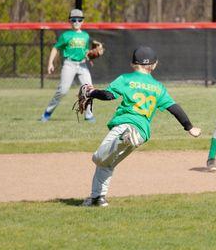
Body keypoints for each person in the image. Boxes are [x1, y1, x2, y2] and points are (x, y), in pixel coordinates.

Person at [81, 46, 202, 207]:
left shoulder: (126, 78)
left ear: (133, 64)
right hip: (142, 132)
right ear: (154, 65)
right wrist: (189, 127)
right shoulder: (158, 87)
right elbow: (174, 108)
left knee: (97, 158)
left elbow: (109, 95)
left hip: (125, 125)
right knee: (107, 163)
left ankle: (127, 136)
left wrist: (91, 93)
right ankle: (98, 198)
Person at [40, 8, 95, 122]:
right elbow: (55, 48)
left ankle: (88, 114)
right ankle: (48, 112)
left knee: (90, 90)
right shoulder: (66, 35)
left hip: (82, 65)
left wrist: (90, 56)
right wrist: (50, 63)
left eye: (79, 20)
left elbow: (85, 51)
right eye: (73, 20)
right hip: (69, 64)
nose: (76, 22)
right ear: (70, 21)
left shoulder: (85, 36)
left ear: (83, 21)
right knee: (63, 90)